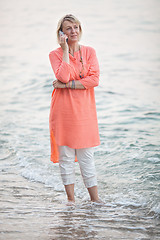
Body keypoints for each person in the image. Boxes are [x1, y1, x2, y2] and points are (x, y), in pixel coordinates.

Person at [49, 14, 101, 205]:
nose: (73, 31)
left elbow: (94, 80)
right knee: (66, 157)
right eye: (68, 28)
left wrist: (67, 85)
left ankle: (95, 200)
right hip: (63, 112)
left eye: (76, 27)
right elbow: (62, 76)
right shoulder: (54, 54)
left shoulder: (89, 52)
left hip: (85, 112)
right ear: (61, 33)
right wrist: (64, 51)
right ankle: (71, 201)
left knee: (87, 157)